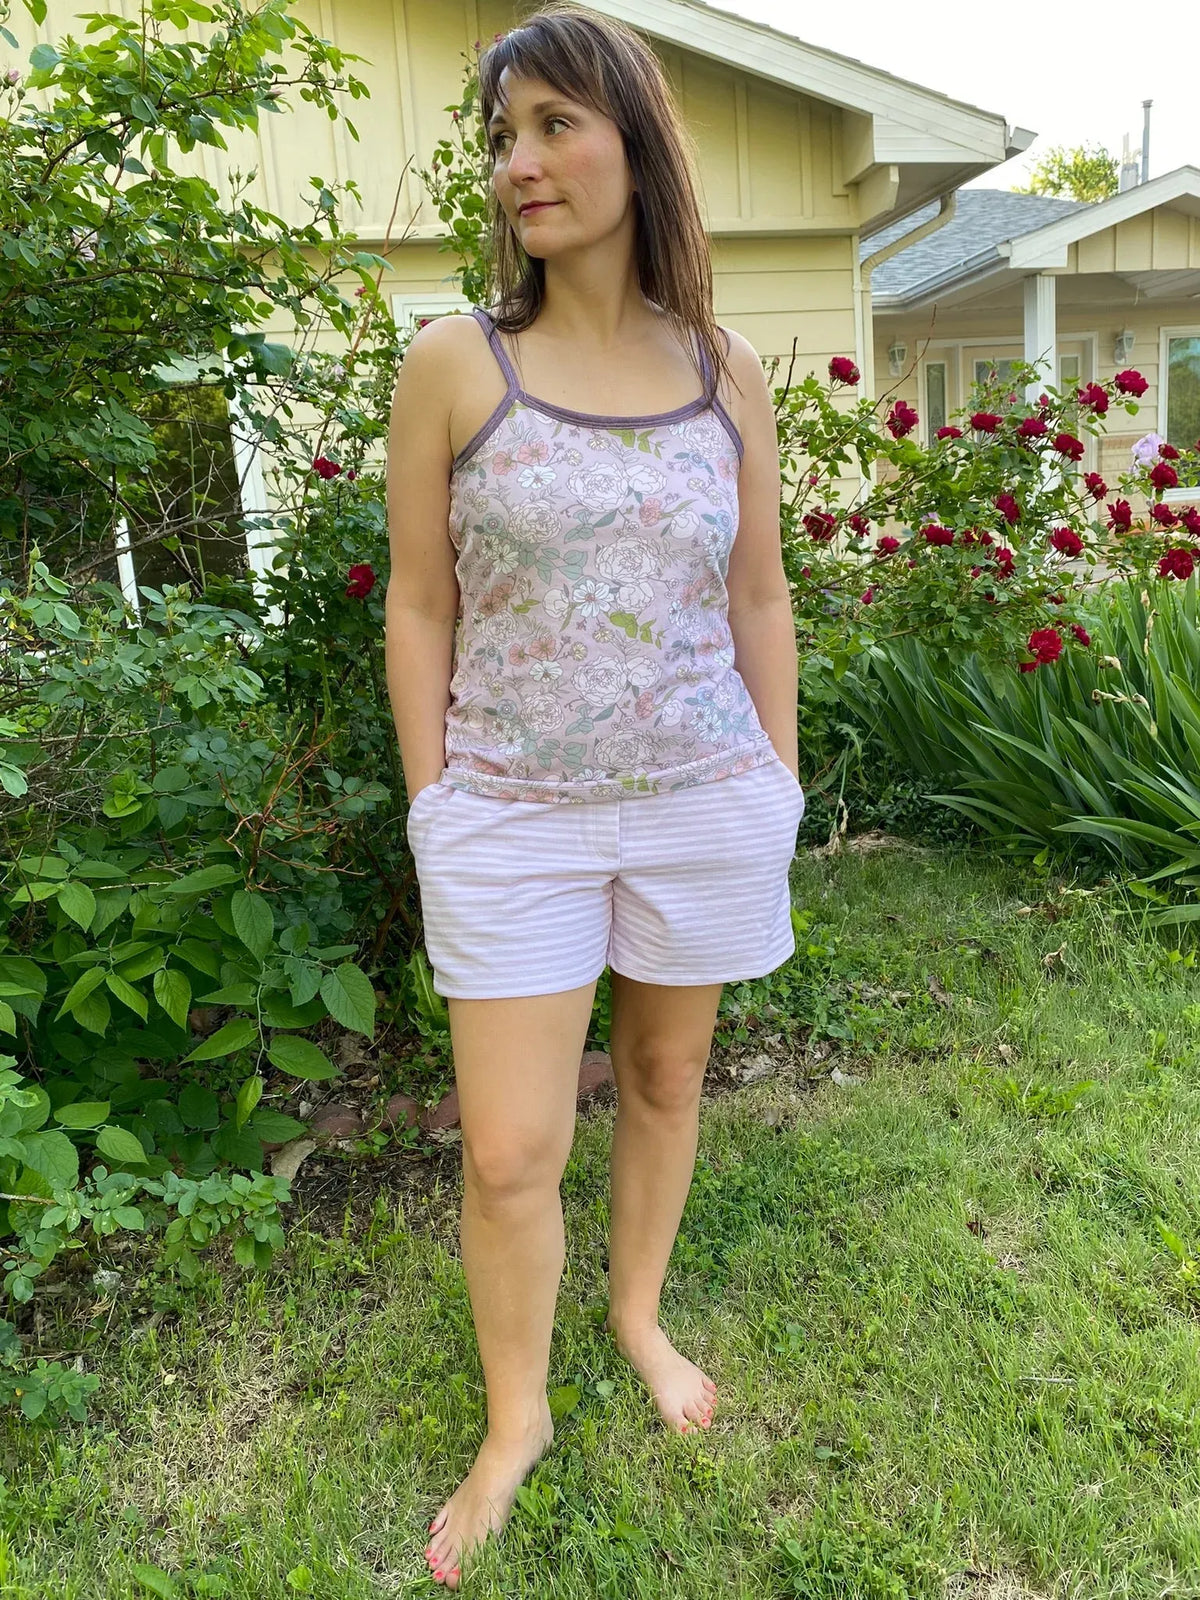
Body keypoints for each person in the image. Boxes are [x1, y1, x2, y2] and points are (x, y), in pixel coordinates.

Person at [384, 4, 803, 1587]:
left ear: (636, 138)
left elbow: (759, 593)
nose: (521, 163)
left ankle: (635, 1313)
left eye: (555, 123)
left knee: (668, 1077)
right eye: (505, 135)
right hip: (509, 815)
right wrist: (436, 801)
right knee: (507, 1151)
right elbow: (420, 604)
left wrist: (775, 774)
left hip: (703, 792)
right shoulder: (455, 364)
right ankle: (517, 1416)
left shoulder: (725, 371)